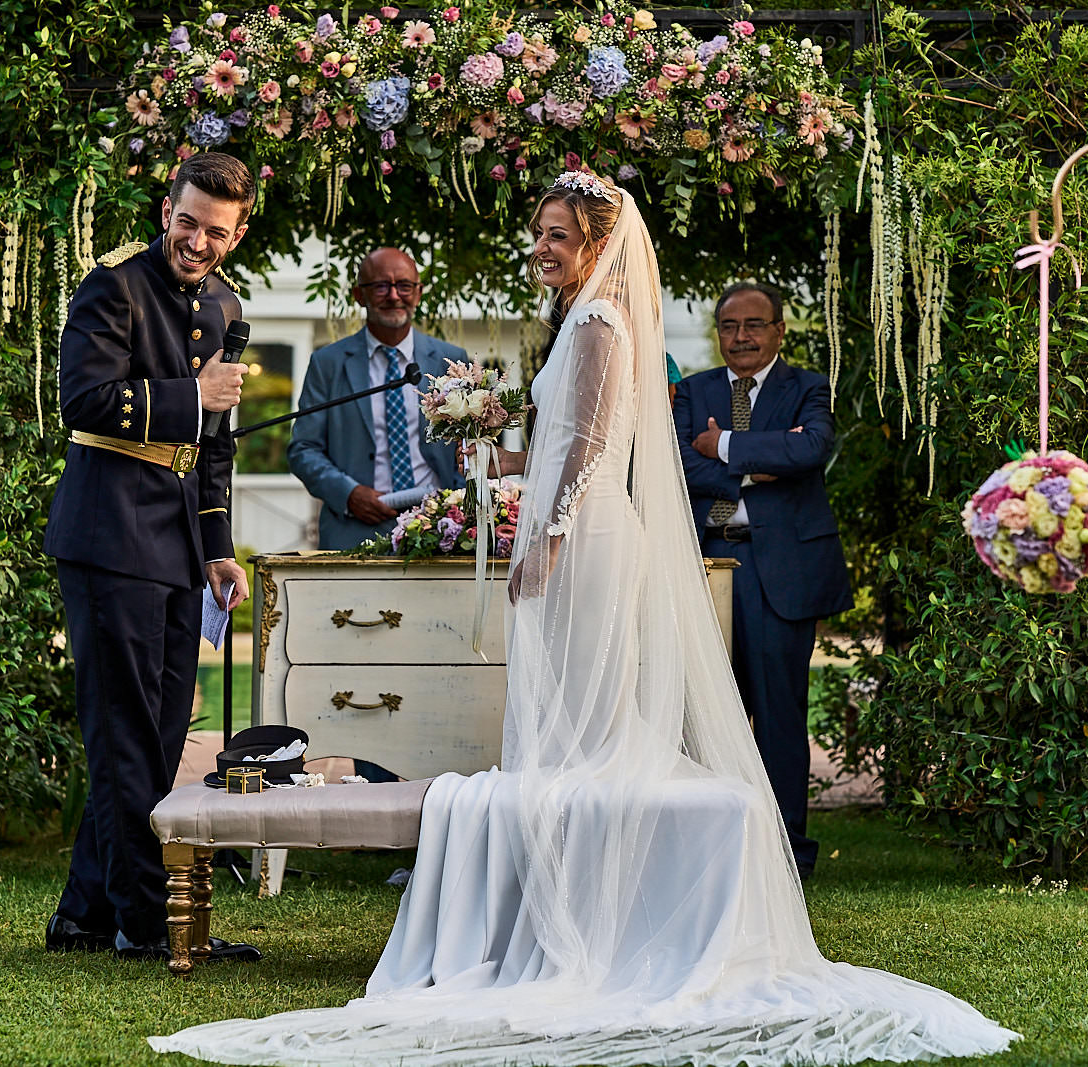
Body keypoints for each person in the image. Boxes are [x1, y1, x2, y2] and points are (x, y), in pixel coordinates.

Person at [151, 173, 1016, 1063]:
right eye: (540, 231)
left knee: (594, 722)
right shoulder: (580, 322)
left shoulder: (600, 325)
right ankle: (567, 889)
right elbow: (562, 439)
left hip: (590, 538)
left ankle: (592, 906)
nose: (543, 246)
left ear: (597, 245)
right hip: (574, 527)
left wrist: (549, 534)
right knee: (569, 717)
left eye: (559, 234)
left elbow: (595, 448)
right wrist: (491, 441)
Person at [41, 153, 255, 962]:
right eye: (187, 220)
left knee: (161, 738)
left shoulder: (226, 303)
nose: (196, 241)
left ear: (237, 234)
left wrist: (218, 549)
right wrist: (194, 396)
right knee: (125, 734)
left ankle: (86, 912)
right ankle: (145, 918)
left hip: (173, 545)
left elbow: (215, 447)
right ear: (168, 206)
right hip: (107, 534)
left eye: (216, 231)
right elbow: (85, 398)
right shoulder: (113, 284)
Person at [672, 281, 853, 880]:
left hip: (782, 574)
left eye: (754, 325)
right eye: (729, 325)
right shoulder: (690, 391)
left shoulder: (807, 387)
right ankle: (710, 848)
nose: (741, 336)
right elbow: (675, 462)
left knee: (778, 717)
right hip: (706, 567)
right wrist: (757, 465)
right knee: (701, 714)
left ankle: (786, 856)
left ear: (779, 331)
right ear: (717, 332)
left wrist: (722, 443)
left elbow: (810, 453)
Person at [287, 248, 465, 549]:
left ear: (418, 293)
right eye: (381, 286)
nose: (394, 296)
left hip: (442, 531)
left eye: (404, 286)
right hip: (355, 531)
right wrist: (348, 494)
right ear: (359, 295)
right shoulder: (328, 363)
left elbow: (469, 451)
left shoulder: (450, 361)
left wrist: (456, 508)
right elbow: (304, 449)